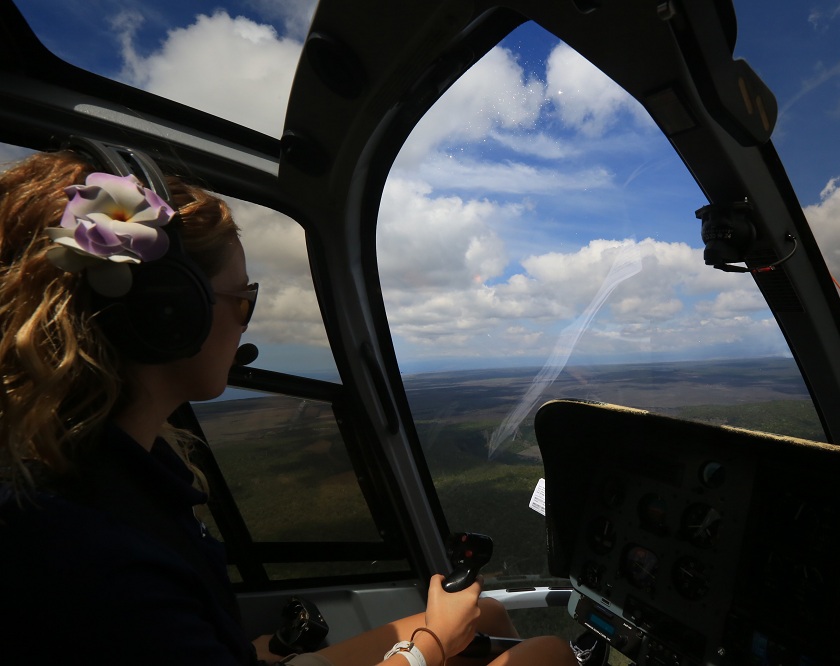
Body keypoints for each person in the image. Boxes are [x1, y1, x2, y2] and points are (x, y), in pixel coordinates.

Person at [0, 150, 579, 666]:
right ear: (170, 313)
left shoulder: (104, 473)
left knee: (492, 621)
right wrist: (428, 648)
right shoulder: (95, 551)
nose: (248, 322)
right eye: (243, 300)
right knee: (548, 653)